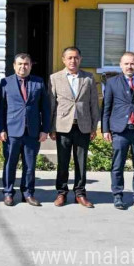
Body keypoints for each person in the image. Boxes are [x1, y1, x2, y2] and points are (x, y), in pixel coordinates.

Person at [102, 52, 134, 211]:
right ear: (120, 65)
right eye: (126, 63)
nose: (129, 66)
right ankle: (117, 195)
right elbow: (106, 108)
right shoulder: (112, 82)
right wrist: (105, 129)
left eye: (132, 63)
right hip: (120, 129)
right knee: (117, 165)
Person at [0, 53, 51, 207]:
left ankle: (28, 193)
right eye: (20, 64)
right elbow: (1, 109)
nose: (23, 67)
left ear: (30, 65)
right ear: (14, 65)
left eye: (26, 64)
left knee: (30, 165)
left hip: (32, 132)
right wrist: (1, 129)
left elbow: (45, 109)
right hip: (12, 131)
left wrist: (44, 129)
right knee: (10, 164)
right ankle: (8, 193)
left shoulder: (38, 82)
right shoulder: (5, 83)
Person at [49, 47, 99, 208]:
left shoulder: (88, 78)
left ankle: (80, 193)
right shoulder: (54, 78)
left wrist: (93, 127)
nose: (73, 61)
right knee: (63, 162)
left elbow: (93, 104)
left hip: (82, 126)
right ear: (63, 60)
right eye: (69, 58)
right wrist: (51, 127)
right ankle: (61, 193)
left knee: (81, 162)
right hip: (63, 126)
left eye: (76, 57)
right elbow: (51, 104)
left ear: (80, 59)